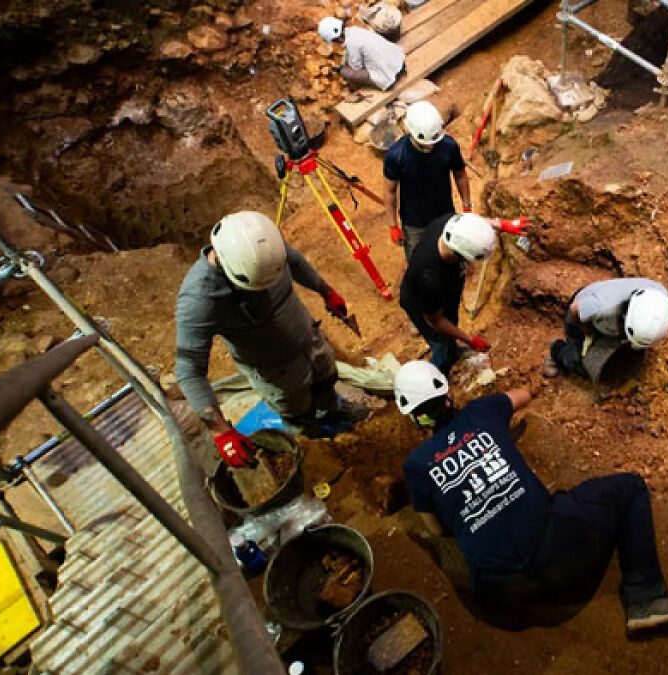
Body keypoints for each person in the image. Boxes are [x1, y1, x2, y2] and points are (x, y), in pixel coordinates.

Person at [395, 359, 668, 634]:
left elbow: (436, 531)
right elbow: (523, 395)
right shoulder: (483, 411)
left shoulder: (416, 466)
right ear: (448, 395)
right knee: (631, 487)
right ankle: (645, 596)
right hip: (559, 553)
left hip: (501, 595)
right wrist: (531, 387)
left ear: (412, 416)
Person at [175, 211, 367, 465]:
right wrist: (221, 432)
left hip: (306, 335)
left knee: (325, 376)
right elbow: (189, 370)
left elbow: (295, 262)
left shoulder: (264, 247)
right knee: (297, 409)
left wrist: (325, 290)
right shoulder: (199, 300)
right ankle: (314, 439)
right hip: (275, 368)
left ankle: (334, 408)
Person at [400, 212, 525, 374]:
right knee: (441, 347)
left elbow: (471, 225)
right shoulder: (432, 279)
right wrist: (470, 340)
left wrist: (502, 224)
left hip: (444, 297)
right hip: (423, 308)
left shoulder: (448, 227)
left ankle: (452, 350)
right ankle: (436, 376)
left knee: (451, 330)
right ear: (461, 256)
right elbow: (436, 321)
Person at [384, 101, 471, 259]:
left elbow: (460, 174)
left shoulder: (448, 147)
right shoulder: (397, 156)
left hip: (445, 213)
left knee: (449, 254)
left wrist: (466, 205)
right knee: (418, 259)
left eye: (434, 143)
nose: (430, 147)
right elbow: (390, 192)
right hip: (414, 223)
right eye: (425, 144)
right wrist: (393, 225)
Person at [542, 278, 668, 378]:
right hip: (583, 315)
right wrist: (587, 333)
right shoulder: (600, 307)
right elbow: (575, 309)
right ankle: (556, 351)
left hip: (610, 315)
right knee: (581, 365)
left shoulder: (659, 299)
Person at [317, 17, 405, 91]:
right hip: (398, 61)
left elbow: (356, 67)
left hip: (389, 76)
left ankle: (383, 82)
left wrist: (341, 68)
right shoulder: (355, 30)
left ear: (336, 39)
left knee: (346, 72)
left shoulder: (351, 44)